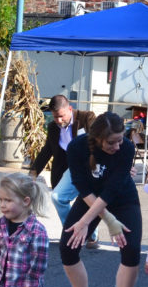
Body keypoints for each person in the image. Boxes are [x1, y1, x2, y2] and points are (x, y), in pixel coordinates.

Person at [59, 111, 142, 287]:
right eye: (111, 143)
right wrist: (102, 219)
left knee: (131, 249)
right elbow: (81, 185)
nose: (117, 146)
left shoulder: (127, 148)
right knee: (68, 246)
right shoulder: (77, 147)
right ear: (97, 138)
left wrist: (91, 221)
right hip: (90, 198)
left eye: (120, 140)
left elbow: (113, 190)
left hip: (122, 198)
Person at [29, 95, 99, 248]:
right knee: (57, 197)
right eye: (55, 117)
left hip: (92, 167)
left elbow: (100, 141)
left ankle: (91, 234)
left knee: (89, 199)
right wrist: (33, 173)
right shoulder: (54, 127)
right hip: (72, 169)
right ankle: (72, 232)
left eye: (61, 116)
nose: (59, 121)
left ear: (70, 109)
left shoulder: (87, 118)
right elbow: (47, 150)